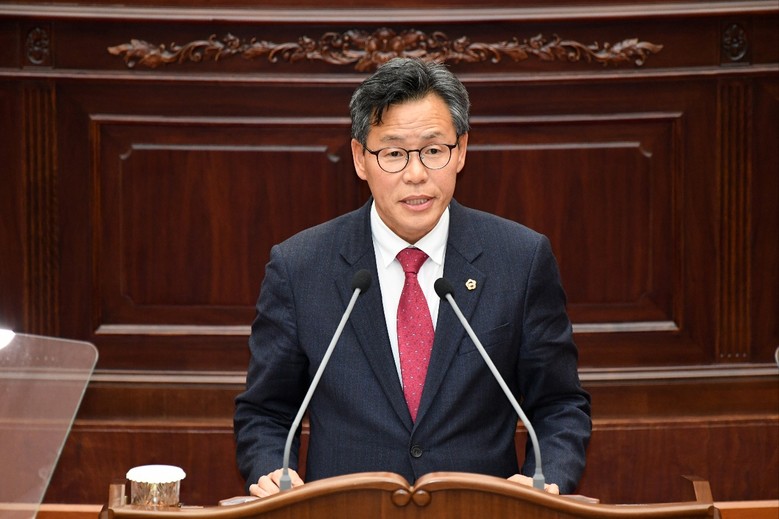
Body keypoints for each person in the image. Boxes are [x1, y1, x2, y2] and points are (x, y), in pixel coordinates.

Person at [234, 57, 591, 498]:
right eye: (394, 153)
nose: (416, 174)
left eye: (433, 150)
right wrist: (272, 472)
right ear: (360, 158)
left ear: (461, 151)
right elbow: (266, 413)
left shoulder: (519, 259)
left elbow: (559, 405)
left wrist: (545, 479)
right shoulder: (300, 267)